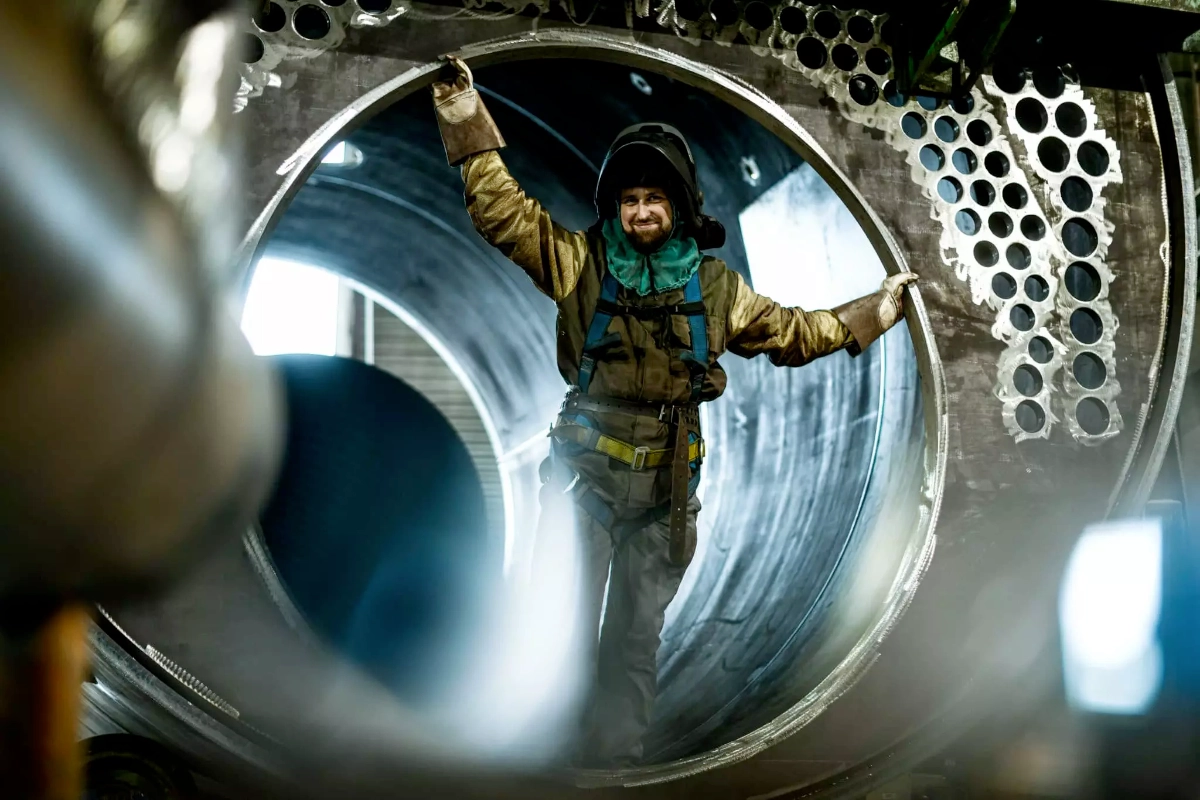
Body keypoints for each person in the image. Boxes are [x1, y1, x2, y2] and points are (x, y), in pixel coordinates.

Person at [431, 56, 917, 767]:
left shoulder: (718, 292)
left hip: (666, 500)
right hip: (583, 484)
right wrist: (463, 113)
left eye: (655, 198)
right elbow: (503, 213)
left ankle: (611, 766)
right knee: (554, 625)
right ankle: (536, 761)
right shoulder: (579, 264)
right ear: (615, 208)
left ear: (680, 206)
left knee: (633, 641)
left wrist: (871, 313)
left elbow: (794, 333)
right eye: (629, 199)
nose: (642, 211)